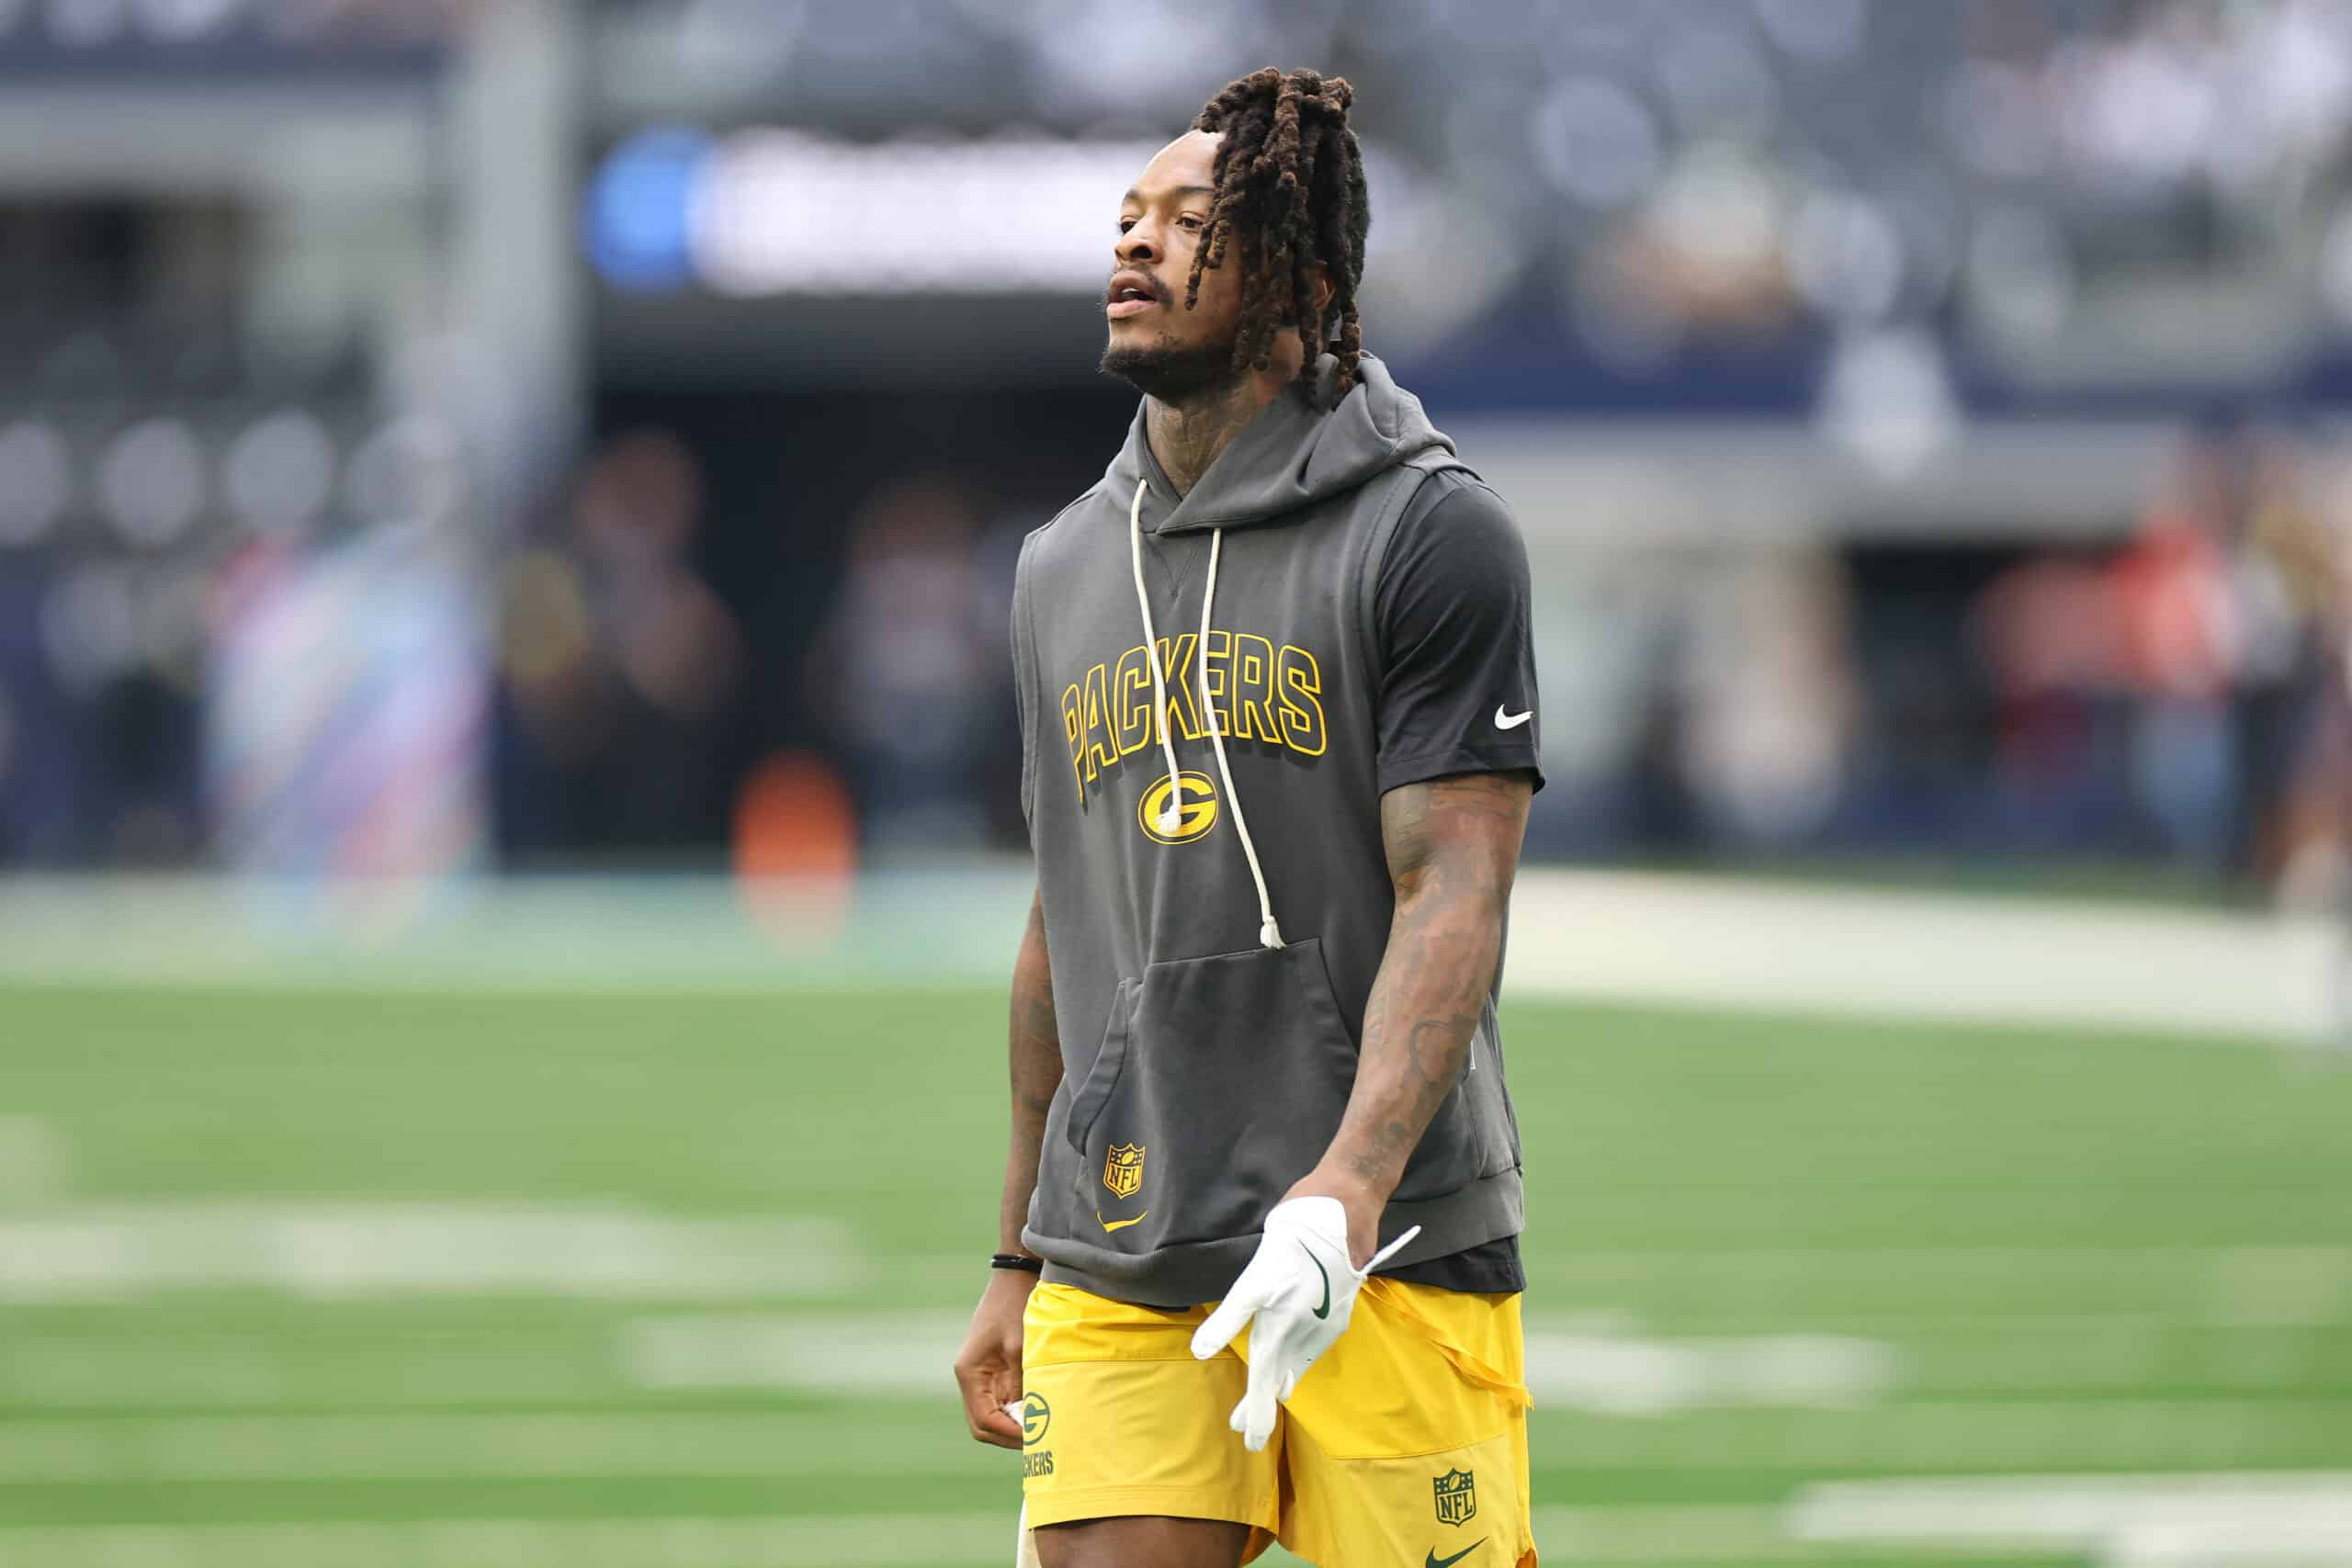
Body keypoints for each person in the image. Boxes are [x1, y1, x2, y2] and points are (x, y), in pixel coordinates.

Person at [952, 67, 1543, 1568]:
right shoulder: (1057, 569)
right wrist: (1020, 1248)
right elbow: (1061, 917)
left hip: (1390, 1238)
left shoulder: (1432, 529)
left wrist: (1345, 1194)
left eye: (1188, 223)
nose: (1132, 247)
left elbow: (1457, 888)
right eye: (1127, 218)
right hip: (1126, 1242)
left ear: (1299, 277)